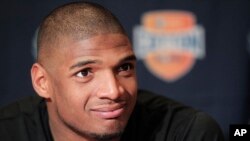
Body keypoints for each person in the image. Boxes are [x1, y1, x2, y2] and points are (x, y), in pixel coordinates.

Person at [0, 1, 225, 141]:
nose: (114, 91)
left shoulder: (187, 133)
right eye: (85, 72)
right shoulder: (7, 132)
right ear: (42, 82)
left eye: (124, 68)